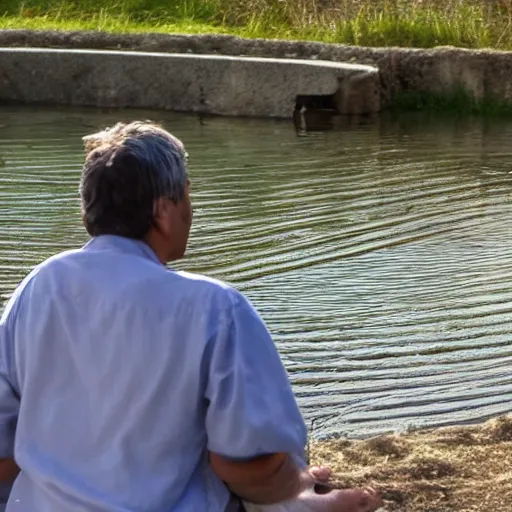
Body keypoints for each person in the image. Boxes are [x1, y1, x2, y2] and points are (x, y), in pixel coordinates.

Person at [0, 121, 382, 511]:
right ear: (163, 212)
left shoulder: (39, 286)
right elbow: (246, 463)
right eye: (187, 195)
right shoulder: (215, 308)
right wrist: (292, 483)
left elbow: (1, 452)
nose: (191, 210)